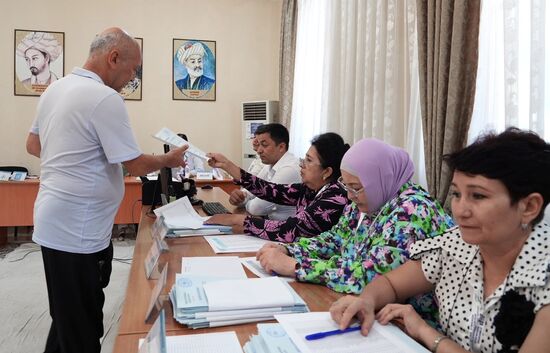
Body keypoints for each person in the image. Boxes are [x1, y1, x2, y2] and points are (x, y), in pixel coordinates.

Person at [25, 27, 188, 353]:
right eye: (132, 69)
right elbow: (136, 165)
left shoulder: (55, 89)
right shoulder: (104, 97)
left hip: (53, 220)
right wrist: (169, 158)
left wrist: (72, 155)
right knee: (83, 327)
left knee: (66, 314)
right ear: (113, 57)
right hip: (78, 230)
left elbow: (33, 145)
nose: (132, 77)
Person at [330, 128, 550, 353]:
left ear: (529, 207)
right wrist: (367, 300)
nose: (460, 211)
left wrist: (427, 333)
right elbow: (391, 284)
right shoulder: (457, 244)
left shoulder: (544, 278)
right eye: (456, 194)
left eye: (478, 196)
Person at [256, 139, 454, 301]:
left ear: (380, 178)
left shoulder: (412, 211)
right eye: (346, 185)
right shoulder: (371, 198)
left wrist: (295, 267)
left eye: (356, 187)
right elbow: (335, 239)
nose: (349, 196)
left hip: (410, 325)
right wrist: (288, 249)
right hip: (362, 305)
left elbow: (373, 278)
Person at [205, 132, 350, 242]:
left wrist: (236, 220)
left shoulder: (334, 198)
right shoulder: (309, 189)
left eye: (309, 160)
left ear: (327, 172)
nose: (302, 164)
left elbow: (291, 229)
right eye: (304, 158)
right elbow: (269, 190)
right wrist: (227, 165)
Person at [229, 123, 301, 220]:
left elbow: (257, 208)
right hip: (270, 223)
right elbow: (250, 191)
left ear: (281, 147)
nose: (259, 150)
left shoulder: (290, 169)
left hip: (287, 230)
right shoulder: (271, 164)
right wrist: (240, 198)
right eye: (258, 145)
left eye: (264, 145)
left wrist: (245, 202)